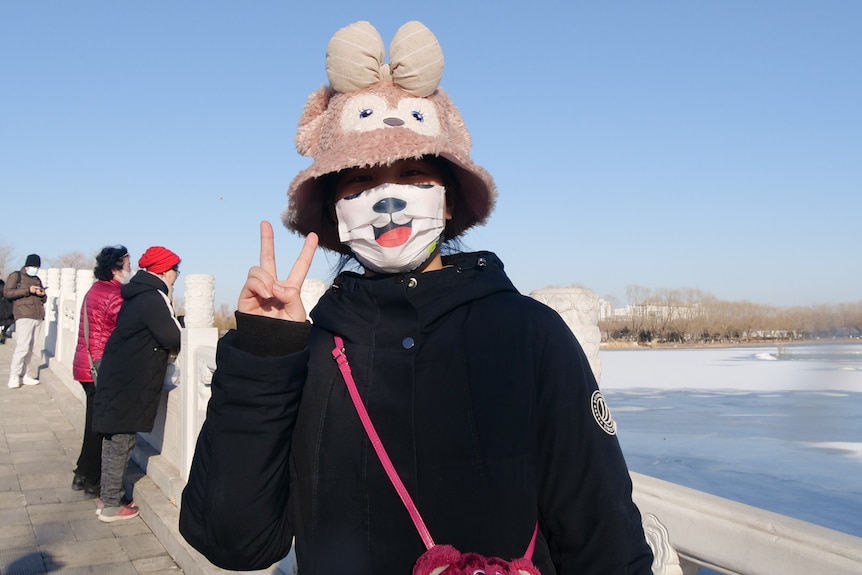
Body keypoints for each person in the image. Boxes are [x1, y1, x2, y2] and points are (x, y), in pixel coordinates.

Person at [179, 21, 654, 574]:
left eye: (412, 172)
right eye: (357, 182)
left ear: (449, 201)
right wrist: (263, 352)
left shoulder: (529, 334)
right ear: (334, 211)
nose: (386, 197)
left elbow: (602, 532)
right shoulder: (306, 351)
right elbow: (234, 540)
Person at [92, 246, 182, 522]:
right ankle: (110, 504)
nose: (177, 276)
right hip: (129, 381)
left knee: (113, 439)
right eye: (176, 271)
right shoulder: (152, 298)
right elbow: (172, 337)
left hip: (118, 375)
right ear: (165, 272)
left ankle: (107, 494)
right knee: (121, 440)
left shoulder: (137, 294)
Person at [70, 246, 132, 497]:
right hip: (99, 368)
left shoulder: (97, 289)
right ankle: (92, 479)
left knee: (93, 424)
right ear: (115, 268)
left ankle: (83, 474)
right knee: (99, 427)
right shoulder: (114, 294)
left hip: (86, 364)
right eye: (128, 265)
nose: (131, 269)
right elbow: (128, 325)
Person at [4, 254, 47, 388]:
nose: (35, 269)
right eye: (33, 266)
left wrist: (42, 294)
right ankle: (14, 376)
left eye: (37, 267)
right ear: (27, 265)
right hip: (23, 315)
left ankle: (25, 374)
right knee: (22, 347)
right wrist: (27, 290)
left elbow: (43, 300)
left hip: (37, 315)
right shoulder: (16, 276)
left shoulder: (37, 279)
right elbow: (8, 293)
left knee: (30, 348)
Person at [0, 278, 14, 344]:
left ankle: (3, 333)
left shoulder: (2, 283)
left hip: (3, 305)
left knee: (9, 318)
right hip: (3, 306)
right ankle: (3, 333)